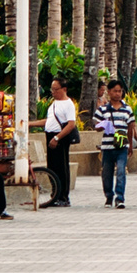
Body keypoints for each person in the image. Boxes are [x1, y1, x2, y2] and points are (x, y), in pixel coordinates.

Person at [95, 80, 134, 209]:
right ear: (109, 92)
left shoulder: (127, 109)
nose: (117, 94)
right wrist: (103, 125)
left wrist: (131, 146)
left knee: (121, 171)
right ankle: (108, 196)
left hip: (122, 146)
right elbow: (96, 125)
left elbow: (131, 127)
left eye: (120, 91)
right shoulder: (102, 109)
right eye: (115, 91)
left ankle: (120, 197)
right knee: (107, 173)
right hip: (107, 147)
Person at [42, 78, 80, 208]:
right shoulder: (54, 103)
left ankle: (63, 196)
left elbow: (71, 124)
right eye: (52, 89)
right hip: (50, 135)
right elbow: (48, 121)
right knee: (52, 166)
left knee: (62, 167)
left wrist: (57, 138)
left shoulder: (68, 104)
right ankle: (55, 193)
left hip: (60, 137)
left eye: (56, 89)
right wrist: (29, 124)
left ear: (64, 89)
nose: (53, 92)